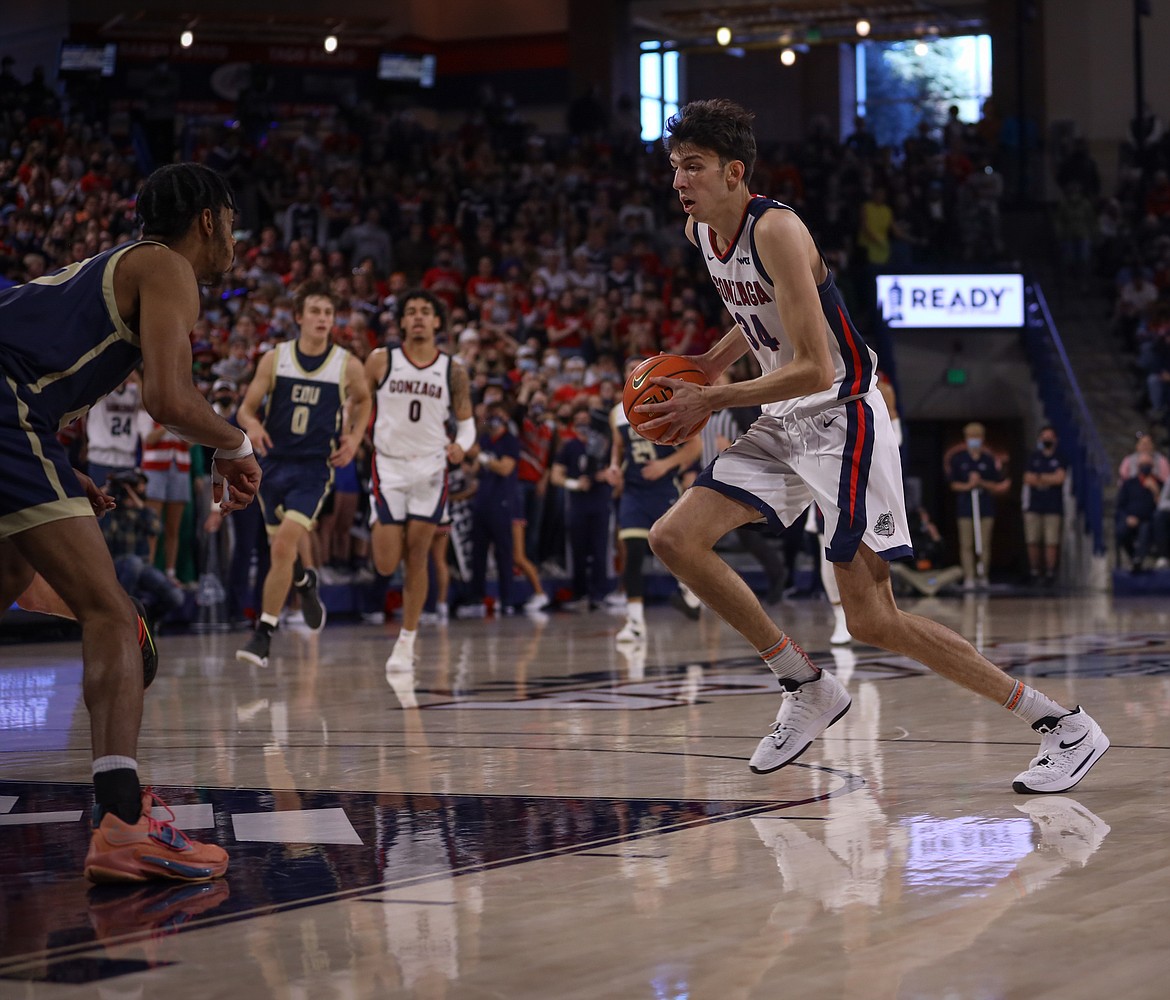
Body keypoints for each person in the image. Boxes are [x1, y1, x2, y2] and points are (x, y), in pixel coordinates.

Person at [637, 99, 1109, 795]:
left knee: (872, 618)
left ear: (735, 172)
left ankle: (1062, 724)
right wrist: (711, 362)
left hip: (841, 418)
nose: (680, 180)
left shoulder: (780, 231)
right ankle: (804, 683)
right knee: (674, 538)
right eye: (675, 166)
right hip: (783, 416)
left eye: (695, 167)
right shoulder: (701, 231)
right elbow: (758, 311)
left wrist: (710, 400)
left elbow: (814, 366)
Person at [0, 162, 261, 881]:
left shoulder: (108, 267)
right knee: (112, 613)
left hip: (18, 420)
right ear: (208, 218)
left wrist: (60, 469)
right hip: (6, 412)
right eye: (232, 223)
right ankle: (121, 821)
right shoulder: (168, 265)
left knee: (13, 572)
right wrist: (234, 444)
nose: (235, 239)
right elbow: (170, 399)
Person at [235, 280, 371, 667]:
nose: (322, 319)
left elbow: (364, 399)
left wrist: (356, 437)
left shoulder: (347, 364)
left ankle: (263, 635)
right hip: (273, 463)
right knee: (284, 551)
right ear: (299, 317)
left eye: (328, 313)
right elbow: (246, 409)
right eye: (315, 311)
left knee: (281, 546)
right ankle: (304, 582)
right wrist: (252, 425)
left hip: (314, 468)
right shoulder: (275, 358)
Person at [366, 289, 474, 671]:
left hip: (430, 468)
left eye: (425, 312)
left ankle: (406, 642)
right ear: (400, 321)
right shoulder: (381, 360)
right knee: (384, 562)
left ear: (437, 322)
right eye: (410, 311)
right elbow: (359, 403)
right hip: (389, 466)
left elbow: (466, 425)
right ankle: (380, 521)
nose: (417, 317)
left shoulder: (452, 369)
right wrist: (350, 435)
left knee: (418, 555)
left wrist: (461, 446)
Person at [607, 383, 702, 643]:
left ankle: (690, 592)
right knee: (633, 552)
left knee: (676, 549)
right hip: (634, 491)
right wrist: (614, 466)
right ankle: (635, 622)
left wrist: (665, 465)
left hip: (663, 487)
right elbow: (617, 446)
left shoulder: (670, 404)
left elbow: (694, 447)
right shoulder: (617, 412)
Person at [946, 422, 1011, 589]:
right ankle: (969, 576)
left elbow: (996, 484)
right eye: (971, 437)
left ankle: (983, 574)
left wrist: (980, 482)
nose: (974, 440)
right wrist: (968, 485)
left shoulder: (988, 460)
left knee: (984, 542)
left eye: (977, 437)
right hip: (965, 507)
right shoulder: (959, 459)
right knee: (966, 543)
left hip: (985, 506)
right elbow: (953, 484)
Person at [1022, 426, 1067, 585]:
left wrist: (1040, 477)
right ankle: (1035, 571)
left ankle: (1050, 574)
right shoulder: (1033, 457)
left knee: (1051, 541)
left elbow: (1060, 478)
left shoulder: (1059, 457)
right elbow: (1028, 478)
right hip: (1034, 506)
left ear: (1055, 440)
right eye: (1044, 436)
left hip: (1053, 506)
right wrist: (1050, 478)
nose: (1046, 439)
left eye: (1049, 436)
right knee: (1033, 540)